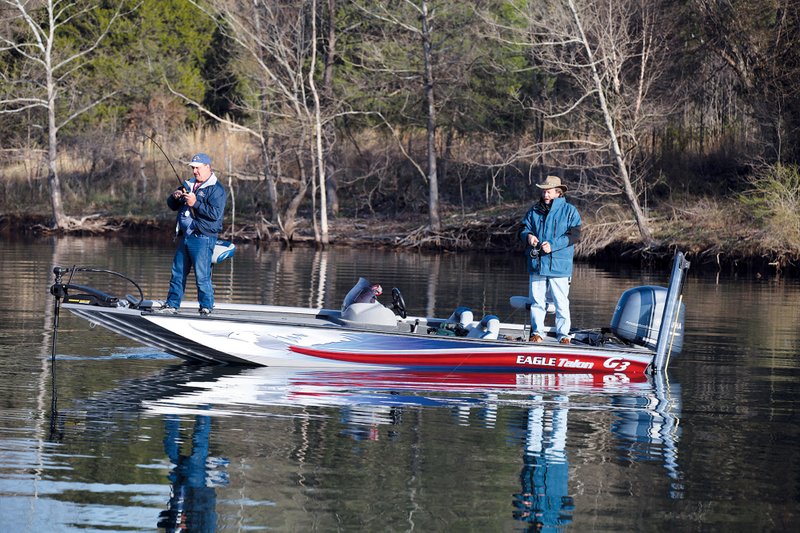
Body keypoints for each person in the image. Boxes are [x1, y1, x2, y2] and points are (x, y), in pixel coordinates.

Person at [154, 153, 227, 316]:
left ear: (207, 167)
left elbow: (215, 215)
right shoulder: (188, 184)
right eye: (193, 168)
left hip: (203, 237)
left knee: (202, 275)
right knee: (177, 272)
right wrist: (175, 197)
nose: (195, 171)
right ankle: (172, 305)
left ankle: (206, 307)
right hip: (185, 236)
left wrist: (196, 203)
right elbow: (172, 206)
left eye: (197, 168)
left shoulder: (217, 189)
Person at [519, 175, 581, 343]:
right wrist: (529, 236)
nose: (545, 194)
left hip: (559, 266)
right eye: (544, 191)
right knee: (537, 302)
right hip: (537, 264)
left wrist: (552, 246)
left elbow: (574, 235)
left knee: (561, 303)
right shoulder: (534, 210)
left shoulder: (570, 211)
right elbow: (524, 228)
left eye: (548, 191)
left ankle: (563, 336)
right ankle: (537, 333)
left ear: (558, 193)